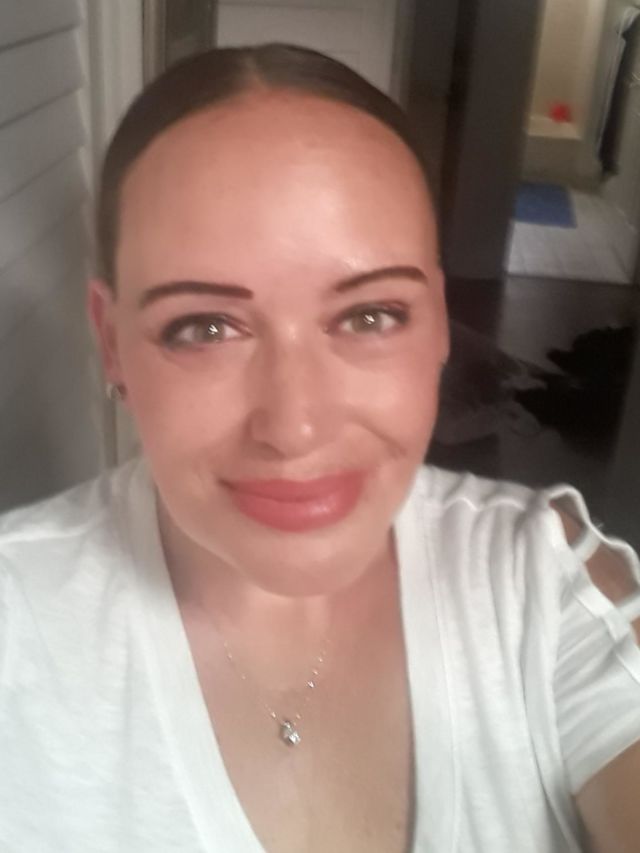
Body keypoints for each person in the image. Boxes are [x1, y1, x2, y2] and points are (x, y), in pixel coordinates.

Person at [0, 44, 639, 853]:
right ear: (113, 344)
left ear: (439, 323)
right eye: (204, 327)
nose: (295, 426)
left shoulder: (543, 580)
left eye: (370, 315)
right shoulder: (17, 621)